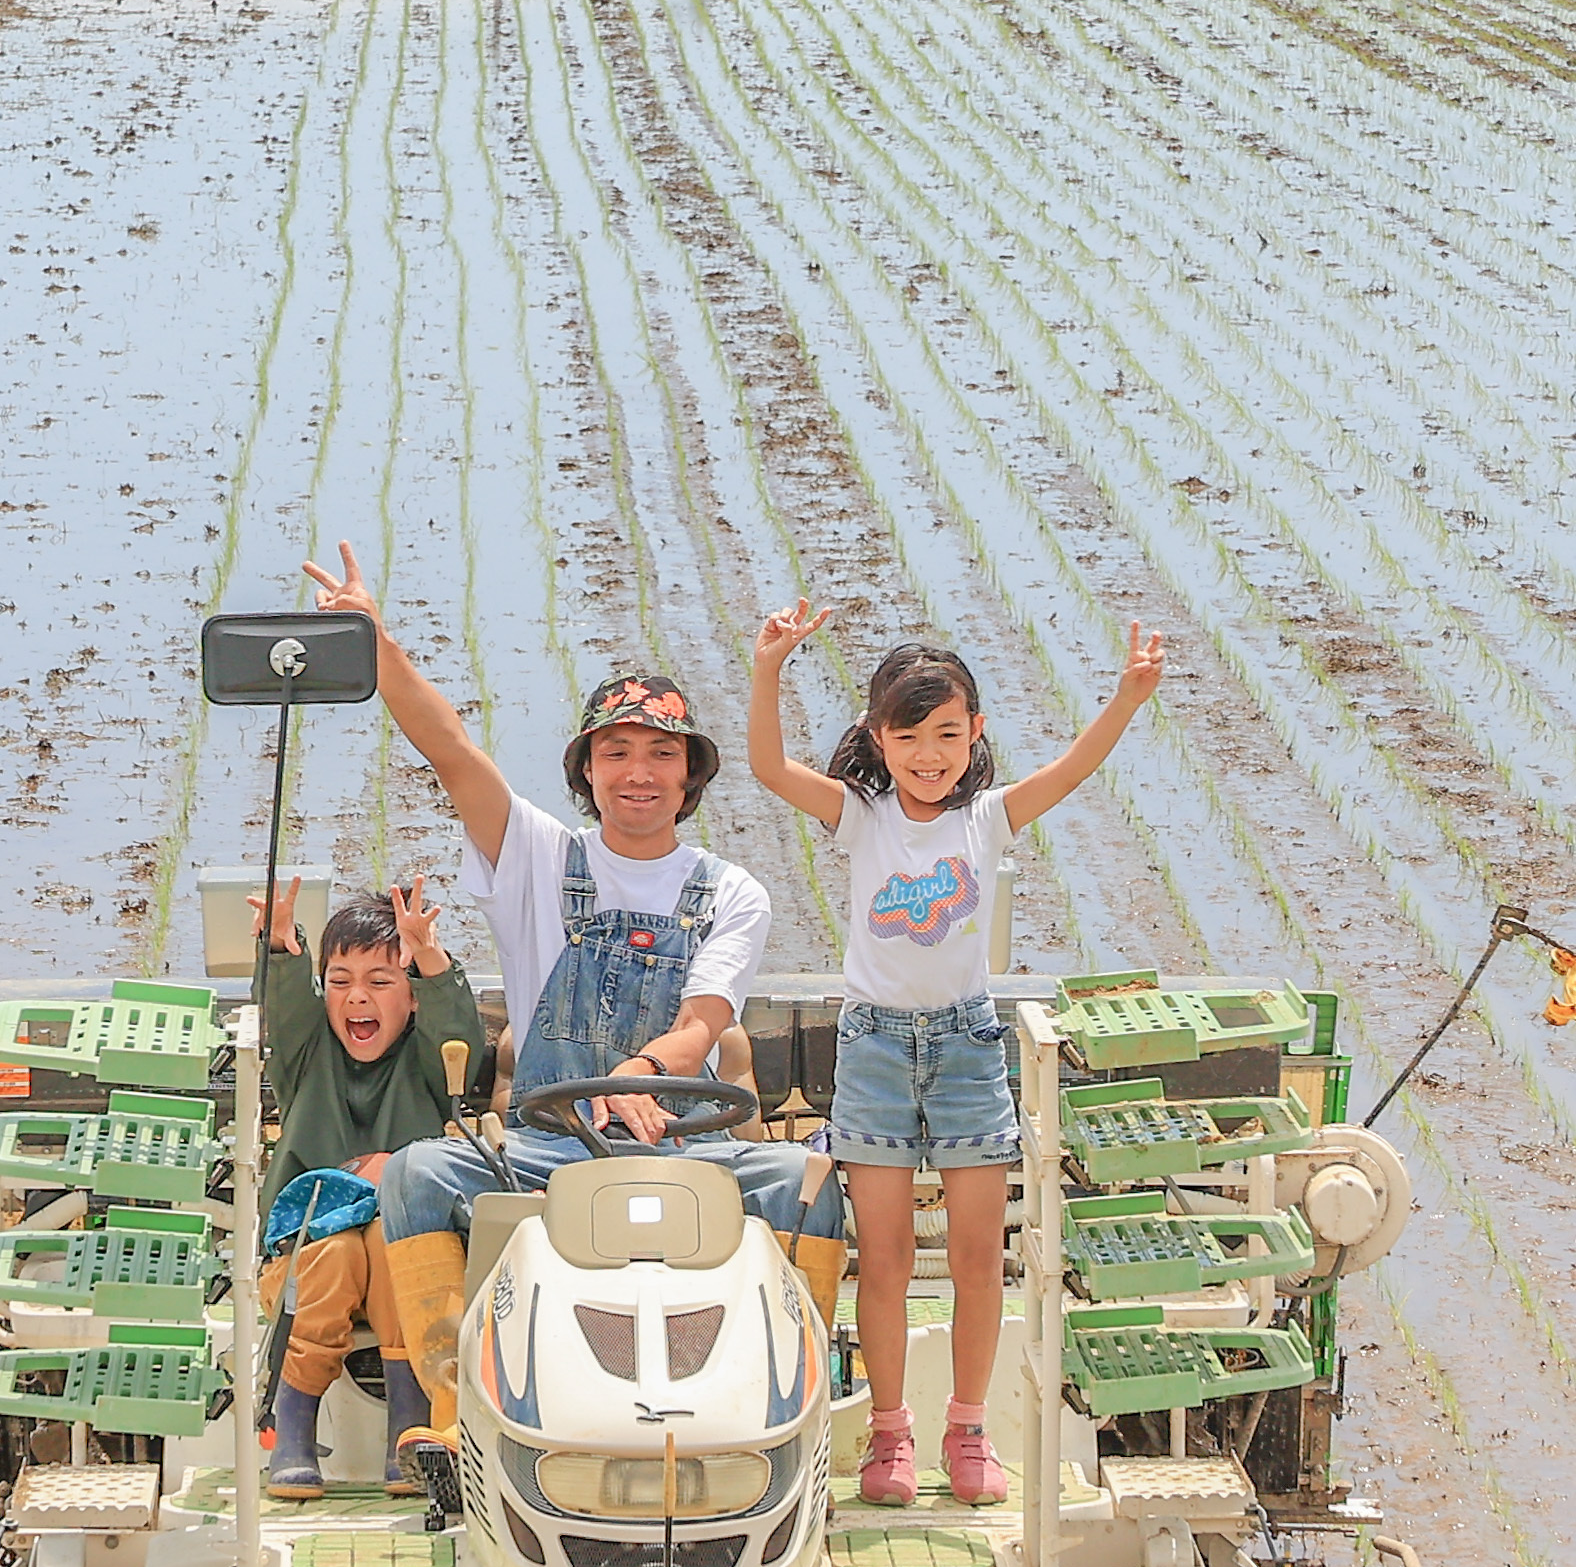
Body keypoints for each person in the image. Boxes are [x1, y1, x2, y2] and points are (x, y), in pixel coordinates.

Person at [305, 544, 846, 1468]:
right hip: (549, 1153)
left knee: (809, 1184)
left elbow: (703, 1023)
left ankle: (795, 1409)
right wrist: (376, 640)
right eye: (616, 752)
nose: (640, 772)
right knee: (418, 1176)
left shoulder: (732, 892)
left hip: (687, 1151)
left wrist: (642, 1074)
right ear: (587, 771)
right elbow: (450, 751)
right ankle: (450, 1409)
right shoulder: (539, 858)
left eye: (662, 754)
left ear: (690, 776)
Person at [748, 607, 1166, 1505]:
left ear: (975, 731)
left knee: (980, 1258)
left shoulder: (986, 818)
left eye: (946, 733)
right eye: (907, 736)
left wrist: (1128, 698)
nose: (928, 754)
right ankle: (890, 1437)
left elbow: (1072, 769)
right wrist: (769, 668)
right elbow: (770, 769)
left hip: (968, 1048)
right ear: (878, 738)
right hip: (874, 1049)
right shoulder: (862, 817)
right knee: (886, 1258)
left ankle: (969, 1431)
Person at [250, 878, 486, 1498]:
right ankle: (293, 1426)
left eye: (381, 982)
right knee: (338, 1252)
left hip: (402, 1258)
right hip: (306, 1257)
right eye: (340, 981)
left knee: (388, 1242)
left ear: (413, 999)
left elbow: (458, 1035)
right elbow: (285, 1006)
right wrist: (281, 944)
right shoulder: (307, 1055)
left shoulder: (430, 1065)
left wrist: (428, 954)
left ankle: (407, 1425)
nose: (358, 997)